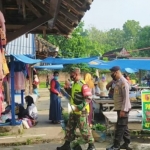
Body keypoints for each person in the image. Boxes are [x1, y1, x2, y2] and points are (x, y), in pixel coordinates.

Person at [57, 68, 96, 150]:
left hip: (82, 111)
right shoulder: (74, 84)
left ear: (77, 74)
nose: (71, 77)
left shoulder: (83, 84)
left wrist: (80, 107)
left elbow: (89, 98)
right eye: (70, 75)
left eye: (72, 75)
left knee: (84, 129)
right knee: (69, 128)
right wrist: (67, 89)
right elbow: (73, 95)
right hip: (73, 110)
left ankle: (91, 146)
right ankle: (67, 145)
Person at [106, 66, 132, 150]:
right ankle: (126, 143)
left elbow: (126, 97)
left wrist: (123, 110)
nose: (111, 74)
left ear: (116, 72)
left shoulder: (123, 82)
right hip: (119, 108)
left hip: (123, 109)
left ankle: (116, 146)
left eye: (112, 73)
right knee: (124, 126)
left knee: (120, 127)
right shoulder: (117, 81)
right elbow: (110, 85)